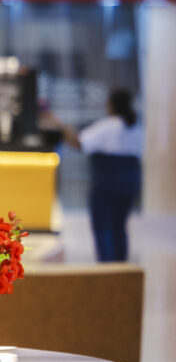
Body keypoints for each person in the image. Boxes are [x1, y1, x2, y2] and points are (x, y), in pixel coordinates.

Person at [59, 88, 143, 262]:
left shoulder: (108, 126)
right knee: (119, 226)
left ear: (111, 104)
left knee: (103, 226)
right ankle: (120, 267)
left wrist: (63, 128)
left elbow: (79, 143)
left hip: (108, 180)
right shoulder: (136, 127)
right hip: (131, 180)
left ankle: (107, 268)